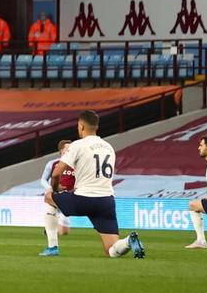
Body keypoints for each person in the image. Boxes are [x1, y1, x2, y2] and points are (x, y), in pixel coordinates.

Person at [43, 109, 144, 259]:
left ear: (81, 126)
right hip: (106, 202)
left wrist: (56, 187)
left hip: (83, 199)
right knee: (111, 251)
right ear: (96, 127)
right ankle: (129, 241)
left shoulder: (77, 145)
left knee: (48, 197)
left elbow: (57, 172)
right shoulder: (109, 147)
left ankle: (52, 247)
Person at [38, 140, 73, 256]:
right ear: (61, 151)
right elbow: (43, 179)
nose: (69, 150)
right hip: (57, 196)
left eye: (71, 148)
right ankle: (52, 246)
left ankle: (51, 227)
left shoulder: (77, 164)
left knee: (65, 231)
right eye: (67, 148)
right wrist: (50, 188)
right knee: (49, 208)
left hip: (73, 196)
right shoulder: (52, 164)